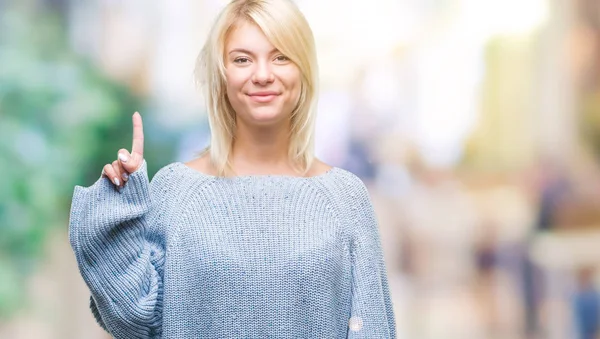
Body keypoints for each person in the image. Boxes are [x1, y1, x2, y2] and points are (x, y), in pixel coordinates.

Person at [68, 0, 397, 338]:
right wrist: (118, 209)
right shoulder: (176, 191)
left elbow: (371, 326)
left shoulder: (344, 197)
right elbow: (135, 320)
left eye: (281, 56)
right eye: (242, 59)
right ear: (221, 76)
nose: (263, 74)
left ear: (304, 70)